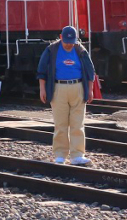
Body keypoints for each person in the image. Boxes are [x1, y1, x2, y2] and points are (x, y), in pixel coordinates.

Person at [36, 25, 97, 165]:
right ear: (60, 37)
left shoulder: (80, 49)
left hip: (78, 88)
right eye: (67, 41)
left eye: (72, 41)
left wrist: (90, 89)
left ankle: (77, 155)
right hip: (58, 88)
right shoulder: (51, 49)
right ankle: (60, 155)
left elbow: (90, 71)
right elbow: (42, 70)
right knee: (60, 124)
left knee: (78, 124)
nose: (69, 44)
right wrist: (42, 89)